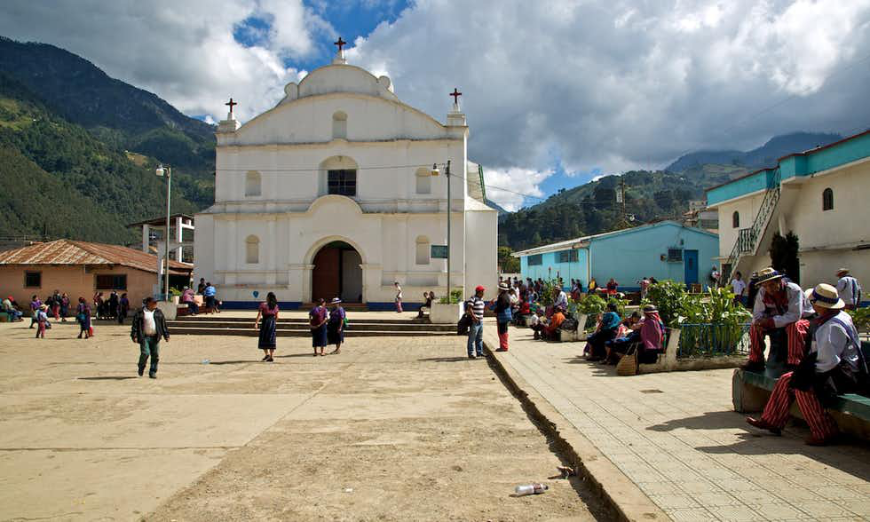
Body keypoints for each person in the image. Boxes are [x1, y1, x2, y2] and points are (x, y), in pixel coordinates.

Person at [746, 284, 865, 445]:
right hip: (836, 368)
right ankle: (772, 420)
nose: (813, 306)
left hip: (844, 374)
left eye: (814, 303)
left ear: (821, 305)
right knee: (787, 379)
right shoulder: (835, 318)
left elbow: (828, 362)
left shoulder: (831, 326)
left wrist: (806, 374)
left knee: (801, 385)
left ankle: (824, 430)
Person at [743, 267, 813, 372]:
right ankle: (756, 360)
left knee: (794, 327)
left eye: (771, 284)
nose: (769, 288)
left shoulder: (793, 290)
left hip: (804, 319)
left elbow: (794, 315)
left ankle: (794, 363)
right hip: (778, 320)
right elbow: (757, 314)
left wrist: (771, 322)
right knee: (755, 327)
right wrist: (760, 322)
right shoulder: (762, 292)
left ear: (779, 281)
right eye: (765, 286)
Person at [131, 297, 170, 379]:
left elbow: (163, 324)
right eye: (154, 302)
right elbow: (135, 325)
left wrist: (166, 335)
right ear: (148, 303)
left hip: (155, 337)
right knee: (145, 353)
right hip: (144, 337)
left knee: (155, 355)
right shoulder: (140, 312)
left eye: (156, 302)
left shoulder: (158, 312)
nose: (156, 304)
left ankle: (153, 371)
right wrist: (134, 335)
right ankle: (141, 366)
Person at [255, 292, 279, 362]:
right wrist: (273, 322)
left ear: (268, 297)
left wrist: (256, 323)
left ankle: (267, 354)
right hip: (272, 323)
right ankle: (271, 356)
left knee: (263, 338)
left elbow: (259, 315)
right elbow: (277, 317)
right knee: (272, 339)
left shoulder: (263, 305)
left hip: (265, 323)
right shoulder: (275, 306)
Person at [466, 286, 486, 359]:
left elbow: (484, 309)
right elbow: (469, 308)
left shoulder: (481, 299)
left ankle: (479, 352)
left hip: (480, 321)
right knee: (472, 337)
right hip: (475, 321)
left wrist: (491, 303)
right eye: (482, 292)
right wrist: (474, 317)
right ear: (479, 292)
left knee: (479, 338)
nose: (483, 293)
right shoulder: (473, 298)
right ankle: (471, 353)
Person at [491, 283, 513, 352]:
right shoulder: (507, 296)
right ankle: (504, 346)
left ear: (501, 289)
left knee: (502, 332)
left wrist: (495, 310)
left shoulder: (501, 296)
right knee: (505, 331)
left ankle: (504, 347)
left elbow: (501, 306)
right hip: (506, 316)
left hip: (502, 317)